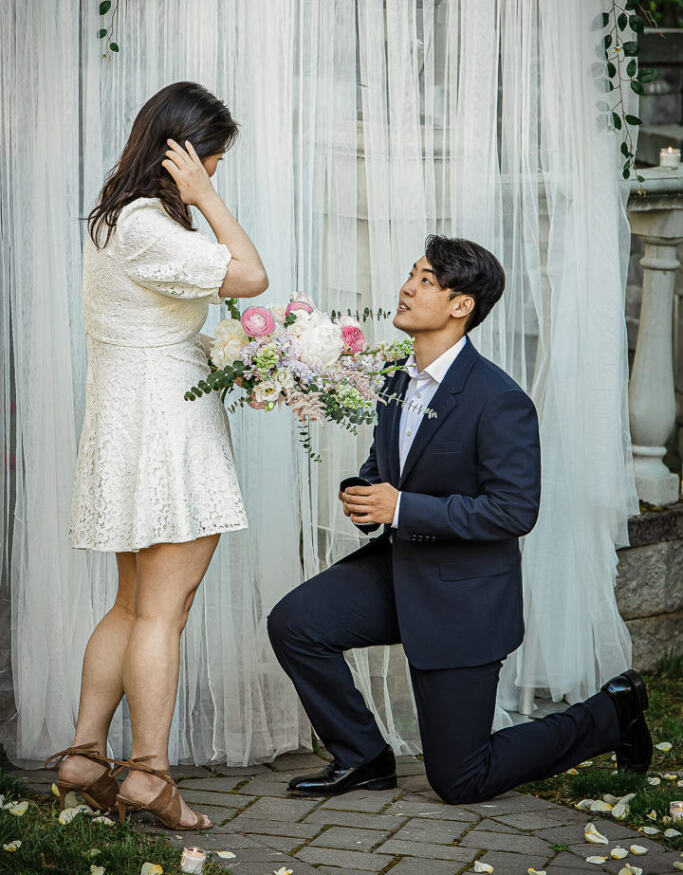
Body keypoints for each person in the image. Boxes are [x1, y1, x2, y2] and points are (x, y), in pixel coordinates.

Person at [267, 235, 652, 803]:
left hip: (461, 601)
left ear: (460, 305)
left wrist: (401, 506)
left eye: (425, 280)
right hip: (399, 570)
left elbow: (514, 509)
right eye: (412, 273)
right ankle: (364, 757)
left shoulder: (499, 399)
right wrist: (366, 491)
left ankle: (610, 715)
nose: (406, 287)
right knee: (296, 623)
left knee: (461, 780)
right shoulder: (396, 377)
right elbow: (391, 465)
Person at [44, 81, 268, 831]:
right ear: (179, 155)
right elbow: (248, 275)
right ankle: (148, 775)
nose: (214, 170)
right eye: (210, 159)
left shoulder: (119, 219)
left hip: (129, 418)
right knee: (162, 614)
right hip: (163, 428)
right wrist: (205, 198)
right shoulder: (148, 227)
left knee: (135, 603)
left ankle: (82, 758)